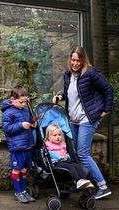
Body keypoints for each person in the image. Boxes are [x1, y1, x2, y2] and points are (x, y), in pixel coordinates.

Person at [53, 46, 114, 199]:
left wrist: (106, 109)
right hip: (73, 120)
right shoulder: (68, 75)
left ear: (83, 60)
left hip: (88, 118)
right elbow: (69, 92)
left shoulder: (91, 73)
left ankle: (102, 186)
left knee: (82, 153)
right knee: (74, 152)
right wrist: (60, 96)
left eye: (78, 60)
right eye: (73, 60)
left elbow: (108, 89)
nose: (75, 63)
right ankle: (84, 183)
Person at [1, 85, 37, 203]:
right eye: (21, 102)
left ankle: (23, 191)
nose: (23, 104)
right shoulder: (8, 113)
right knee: (17, 168)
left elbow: (30, 124)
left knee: (24, 169)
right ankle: (18, 192)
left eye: (25, 102)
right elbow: (7, 129)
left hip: (27, 145)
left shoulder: (26, 111)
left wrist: (33, 125)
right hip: (17, 147)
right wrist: (21, 125)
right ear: (12, 99)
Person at [44, 124, 94, 189]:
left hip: (65, 161)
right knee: (71, 167)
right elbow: (49, 154)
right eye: (55, 135)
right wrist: (59, 157)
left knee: (77, 165)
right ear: (48, 137)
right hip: (56, 163)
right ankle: (78, 180)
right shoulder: (48, 145)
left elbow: (65, 152)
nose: (58, 137)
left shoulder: (62, 144)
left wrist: (67, 156)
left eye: (59, 135)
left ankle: (84, 181)